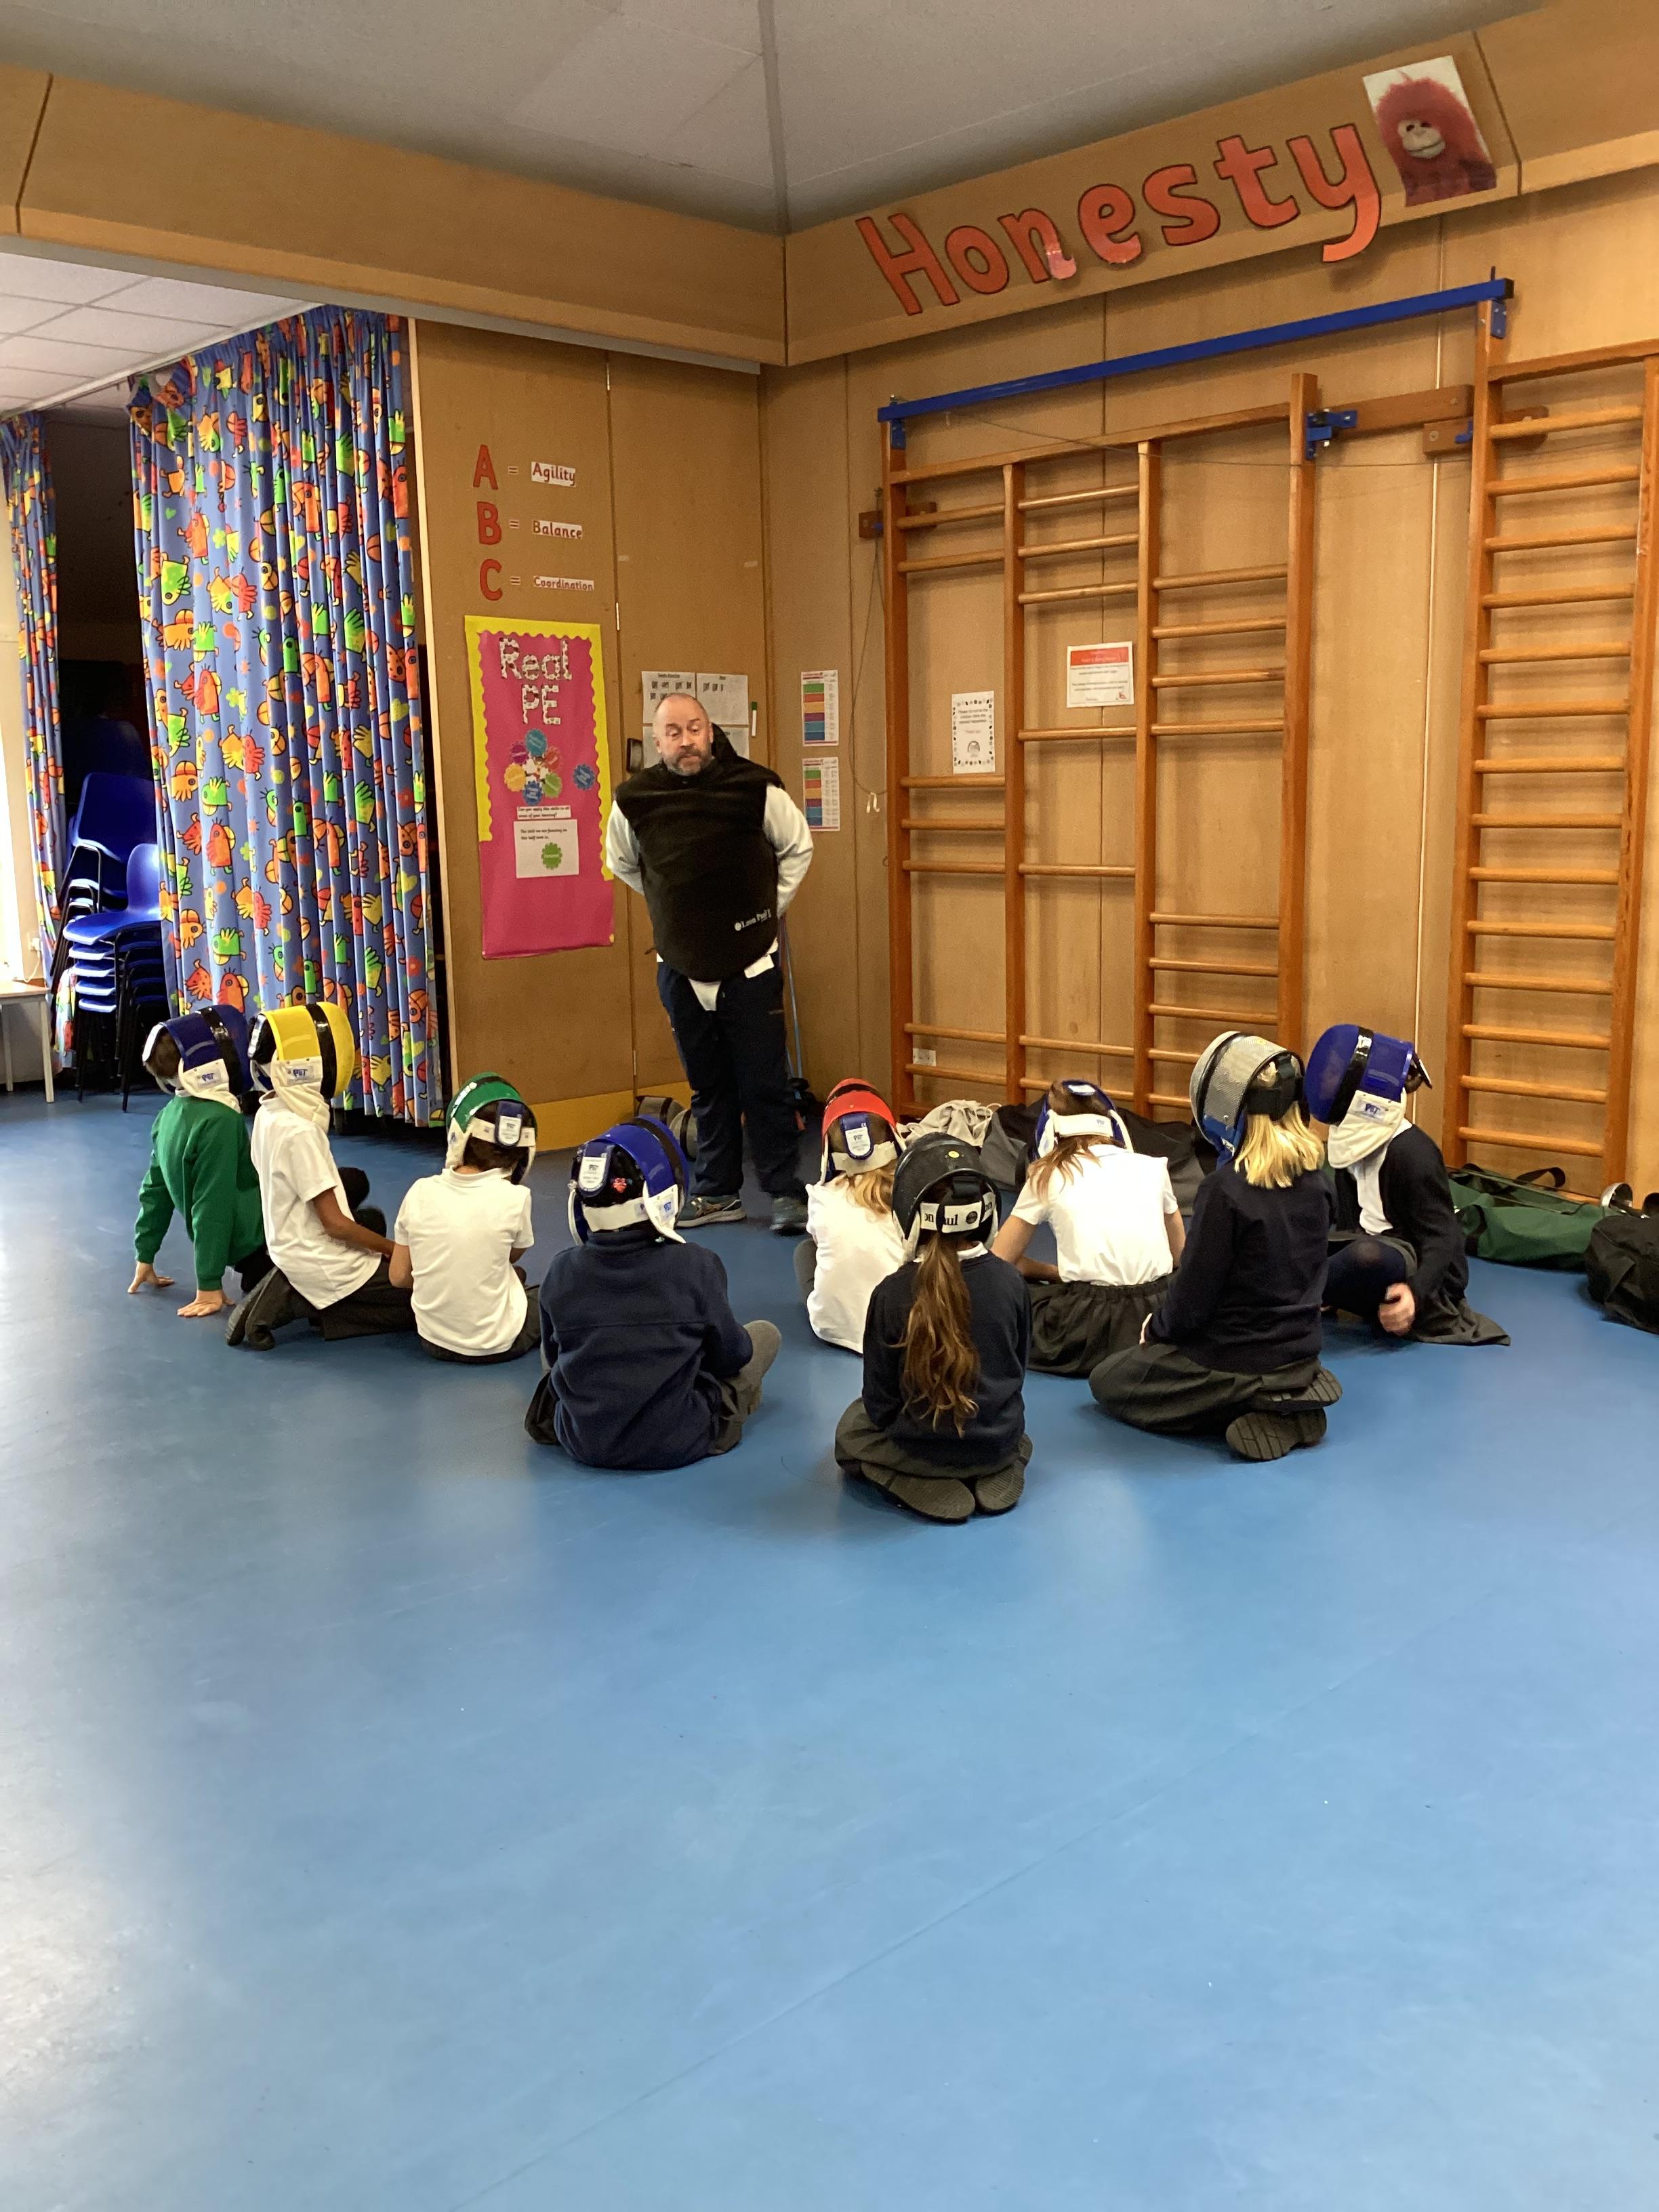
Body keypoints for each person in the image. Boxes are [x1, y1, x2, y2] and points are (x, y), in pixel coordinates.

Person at [605, 690, 813, 1234]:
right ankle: (718, 1191)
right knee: (708, 1086)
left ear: (711, 731)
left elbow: (798, 847)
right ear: (657, 742)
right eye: (674, 733)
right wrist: (672, 909)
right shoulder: (635, 801)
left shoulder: (755, 788)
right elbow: (623, 862)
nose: (686, 741)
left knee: (765, 1084)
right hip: (681, 967)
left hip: (751, 964)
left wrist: (768, 908)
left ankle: (785, 1191)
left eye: (695, 728)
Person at [1090, 1033, 1340, 1462]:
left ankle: (1251, 1403)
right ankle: (1288, 1399)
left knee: (1109, 1379)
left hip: (1235, 1359)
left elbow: (1194, 1298)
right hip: (1302, 1354)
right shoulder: (1318, 1182)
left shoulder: (1225, 1191)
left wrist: (1158, 1329)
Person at [527, 1115, 780, 1469]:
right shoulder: (697, 1265)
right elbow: (731, 1356)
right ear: (664, 1198)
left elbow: (555, 1359)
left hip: (583, 1441)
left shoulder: (560, 1271)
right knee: (766, 1335)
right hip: (681, 1439)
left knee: (559, 1347)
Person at [834, 1134, 1032, 1523]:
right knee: (1013, 1432)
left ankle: (915, 1478)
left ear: (908, 1213)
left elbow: (879, 1402)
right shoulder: (1012, 1282)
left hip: (921, 1448)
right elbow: (1016, 1371)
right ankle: (998, 1466)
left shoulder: (891, 1293)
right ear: (987, 1211)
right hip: (995, 1440)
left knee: (850, 1433)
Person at [225, 1000, 415, 1349]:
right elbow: (335, 1225)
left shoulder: (268, 1113)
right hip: (322, 1262)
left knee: (371, 1221)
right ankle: (302, 1300)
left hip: (287, 1245)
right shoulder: (300, 1132)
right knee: (428, 1299)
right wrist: (393, 1251)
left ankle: (302, 1290)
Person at [1305, 1023, 1507, 1346]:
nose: (1326, 1080)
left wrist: (1415, 1293)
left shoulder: (1413, 1153)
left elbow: (1443, 1238)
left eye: (1334, 1073)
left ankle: (1289, 1298)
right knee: (1298, 1243)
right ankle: (1305, 1292)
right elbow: (1347, 1227)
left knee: (1365, 1256)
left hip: (1410, 1266)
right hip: (1369, 1257)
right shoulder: (1348, 1145)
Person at [991, 1077, 1185, 1374]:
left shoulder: (1048, 1174)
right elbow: (1180, 1257)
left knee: (1009, 1295)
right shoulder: (1154, 1167)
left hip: (1087, 1325)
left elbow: (999, 1262)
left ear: (1050, 1130)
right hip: (1157, 1315)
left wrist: (1049, 1272)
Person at [128, 1005, 270, 1319]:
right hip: (258, 1244)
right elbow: (213, 1203)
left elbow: (154, 1192)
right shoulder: (220, 1120)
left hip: (239, 1245)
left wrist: (145, 1254)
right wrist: (208, 1284)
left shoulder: (167, 1117)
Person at [390, 1074, 541, 1363]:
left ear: (458, 1136)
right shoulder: (516, 1198)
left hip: (432, 1341)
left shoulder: (419, 1190)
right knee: (550, 1292)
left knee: (506, 1277)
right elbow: (510, 1256)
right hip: (498, 1346)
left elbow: (398, 1277)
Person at [796, 1078, 907, 1351]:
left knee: (806, 1251)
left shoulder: (822, 1197)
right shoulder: (911, 1189)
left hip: (836, 1330)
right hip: (903, 1328)